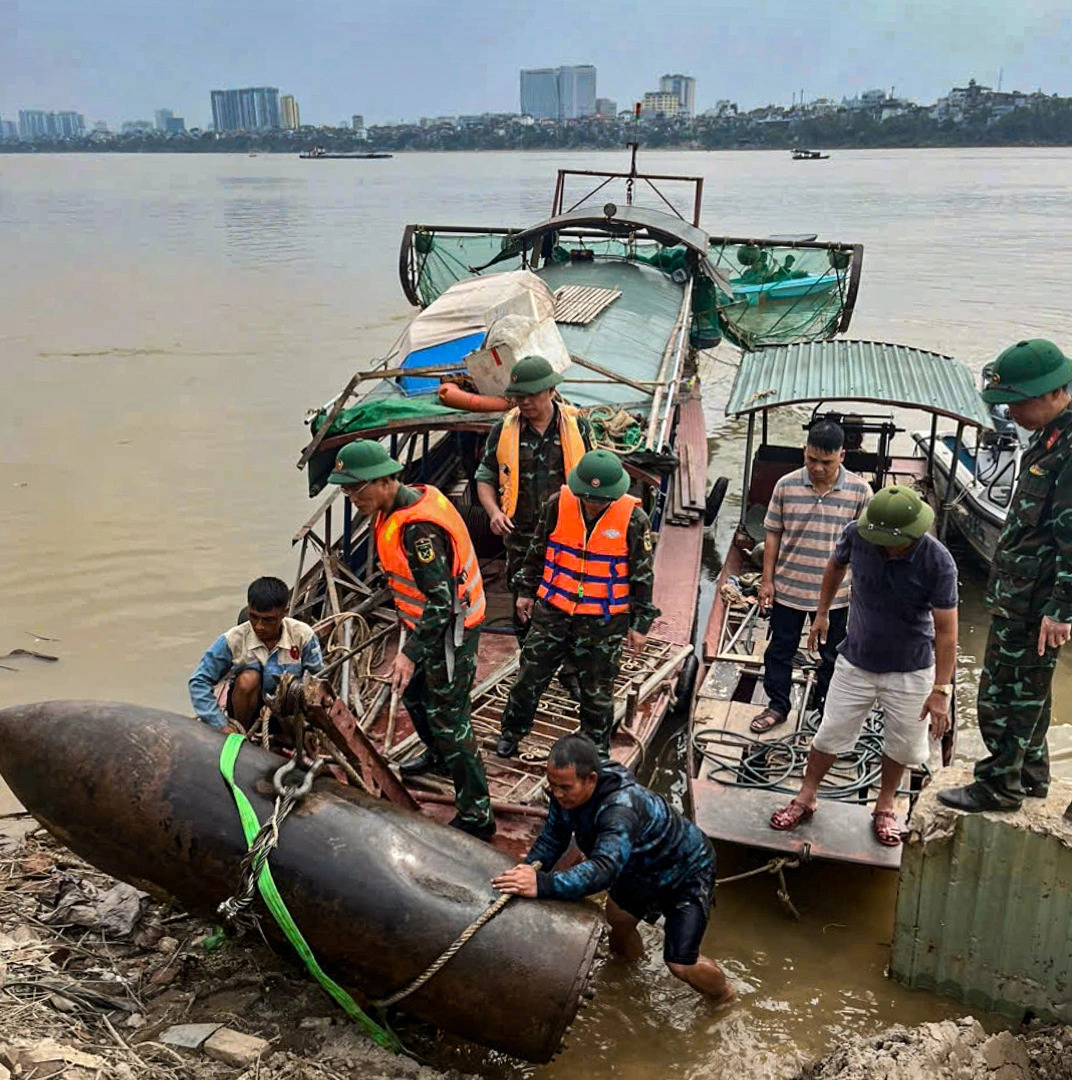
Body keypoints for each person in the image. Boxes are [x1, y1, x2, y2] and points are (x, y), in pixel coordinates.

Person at [769, 485, 958, 846]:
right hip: (856, 658)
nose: (885, 546)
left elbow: (947, 632)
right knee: (830, 732)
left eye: (893, 542)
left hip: (911, 667)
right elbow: (835, 566)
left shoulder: (938, 561)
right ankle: (806, 796)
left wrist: (941, 690)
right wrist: (822, 612)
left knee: (902, 744)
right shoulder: (857, 534)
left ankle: (884, 805)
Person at [328, 439, 496, 840]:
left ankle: (478, 813)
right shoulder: (403, 504)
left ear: (385, 481)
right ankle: (438, 758)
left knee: (450, 719)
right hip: (423, 626)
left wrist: (408, 655)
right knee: (414, 695)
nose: (352, 499)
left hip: (449, 631)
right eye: (346, 491)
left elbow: (443, 600)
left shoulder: (418, 530)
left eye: (357, 489)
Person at [492, 734, 733, 1003]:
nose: (557, 794)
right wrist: (525, 872)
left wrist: (542, 884)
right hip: (636, 868)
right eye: (553, 786)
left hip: (685, 870)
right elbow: (553, 838)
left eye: (565, 787)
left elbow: (603, 869)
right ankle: (631, 981)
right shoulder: (563, 795)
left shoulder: (620, 809)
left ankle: (725, 996)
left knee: (680, 963)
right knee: (618, 926)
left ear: (591, 779)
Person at [939, 339, 1072, 812]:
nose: (1011, 413)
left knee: (1002, 694)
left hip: (1037, 601)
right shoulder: (1052, 435)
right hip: (1022, 592)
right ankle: (1031, 776)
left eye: (1017, 403)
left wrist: (1061, 609)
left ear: (1052, 393)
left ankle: (997, 787)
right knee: (1030, 692)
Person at [495, 450, 660, 760]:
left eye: (601, 499)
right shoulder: (557, 505)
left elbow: (642, 575)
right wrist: (526, 591)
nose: (594, 503)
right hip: (554, 610)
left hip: (603, 620)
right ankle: (512, 731)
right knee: (530, 676)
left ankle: (595, 745)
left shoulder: (634, 520)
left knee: (597, 689)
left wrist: (640, 625)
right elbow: (537, 550)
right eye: (589, 497)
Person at [751, 421, 872, 734]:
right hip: (790, 587)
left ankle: (823, 711)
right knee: (780, 649)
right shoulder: (786, 485)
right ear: (804, 451)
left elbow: (866, 547)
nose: (817, 468)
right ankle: (777, 705)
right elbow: (773, 534)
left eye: (826, 462)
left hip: (838, 596)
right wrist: (767, 580)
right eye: (811, 459)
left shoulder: (860, 492)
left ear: (842, 456)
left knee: (834, 656)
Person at [475, 355, 592, 674]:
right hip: (521, 537)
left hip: (567, 535)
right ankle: (532, 664)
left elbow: (594, 475)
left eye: (532, 395)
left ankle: (569, 667)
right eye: (518, 396)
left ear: (551, 391)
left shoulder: (576, 424)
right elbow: (485, 476)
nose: (524, 402)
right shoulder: (504, 430)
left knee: (570, 598)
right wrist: (494, 512)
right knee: (523, 602)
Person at [189, 576, 324, 732]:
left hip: (291, 714)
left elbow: (319, 679)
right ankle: (242, 734)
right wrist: (220, 724)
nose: (259, 626)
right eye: (254, 617)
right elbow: (199, 682)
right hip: (247, 713)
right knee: (248, 679)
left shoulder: (302, 635)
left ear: (284, 613)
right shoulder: (233, 640)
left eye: (268, 620)